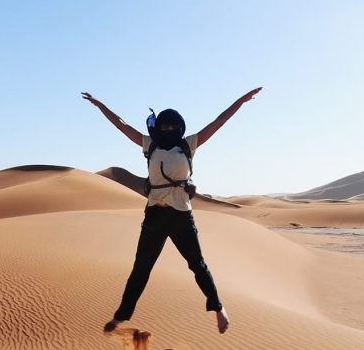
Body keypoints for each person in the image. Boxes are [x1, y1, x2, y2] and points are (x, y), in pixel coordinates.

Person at [81, 87, 262, 335]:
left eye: (171, 126)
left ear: (179, 127)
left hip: (180, 215)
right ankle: (121, 316)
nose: (167, 130)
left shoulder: (189, 144)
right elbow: (121, 125)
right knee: (141, 267)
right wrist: (100, 105)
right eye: (163, 126)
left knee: (197, 265)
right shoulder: (149, 144)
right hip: (155, 214)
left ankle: (219, 309)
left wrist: (240, 101)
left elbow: (218, 122)